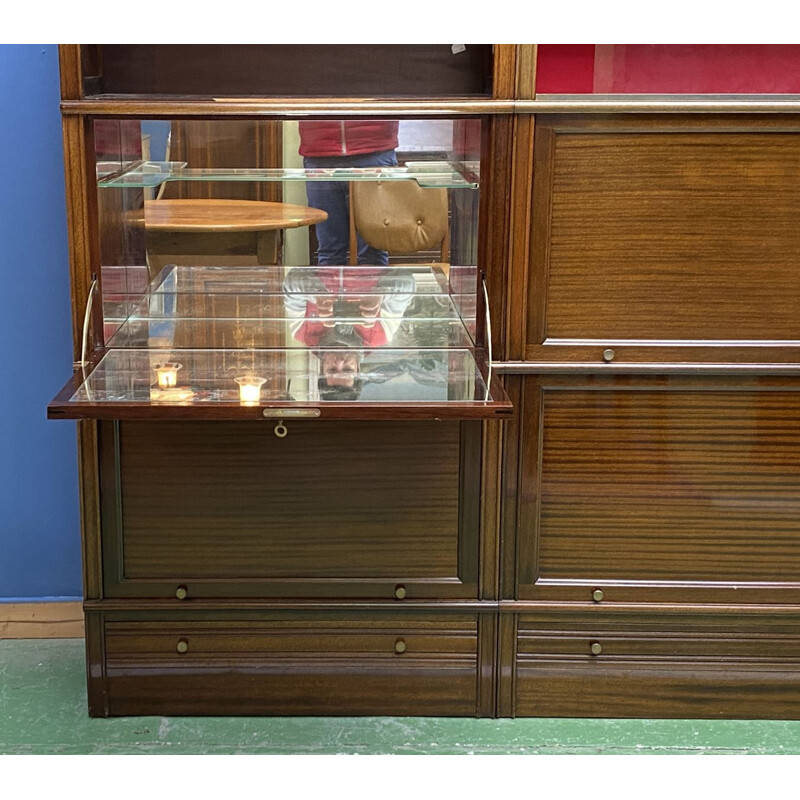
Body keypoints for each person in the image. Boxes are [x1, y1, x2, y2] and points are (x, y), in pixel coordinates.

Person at [299, 120, 399, 266]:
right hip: (321, 151)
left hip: (374, 148)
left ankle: (375, 289)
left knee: (374, 248)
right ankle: (334, 288)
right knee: (329, 251)